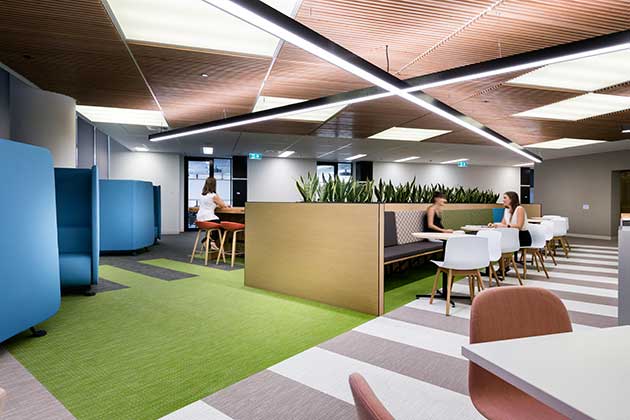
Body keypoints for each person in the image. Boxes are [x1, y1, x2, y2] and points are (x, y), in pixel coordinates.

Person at [196, 177, 229, 250]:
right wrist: (217, 195)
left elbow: (208, 204)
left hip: (200, 218)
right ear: (214, 185)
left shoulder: (202, 195)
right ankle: (210, 241)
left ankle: (209, 241)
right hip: (209, 218)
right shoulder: (213, 196)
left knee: (216, 227)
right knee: (222, 227)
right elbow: (223, 205)